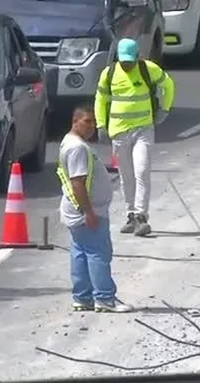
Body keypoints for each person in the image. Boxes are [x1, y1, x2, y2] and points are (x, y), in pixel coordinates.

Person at [94, 38, 175, 237]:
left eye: (130, 61)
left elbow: (169, 85)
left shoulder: (148, 69)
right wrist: (100, 124)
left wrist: (165, 108)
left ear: (138, 57)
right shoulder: (109, 73)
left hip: (143, 130)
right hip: (119, 132)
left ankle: (141, 216)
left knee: (142, 171)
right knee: (126, 176)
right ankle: (130, 214)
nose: (127, 65)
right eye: (124, 62)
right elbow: (100, 99)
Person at [57, 105, 133, 313]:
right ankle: (105, 297)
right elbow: (78, 182)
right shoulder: (78, 148)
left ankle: (82, 298)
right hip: (87, 210)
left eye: (93, 122)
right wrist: (88, 212)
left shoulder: (71, 143)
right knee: (98, 253)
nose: (91, 127)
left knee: (80, 252)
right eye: (86, 122)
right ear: (75, 121)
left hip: (78, 209)